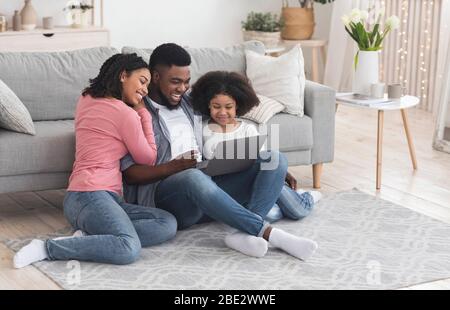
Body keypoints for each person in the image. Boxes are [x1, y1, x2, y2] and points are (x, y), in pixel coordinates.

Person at [121, 43, 318, 260]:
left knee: (274, 159)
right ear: (155, 77)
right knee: (193, 176)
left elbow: (228, 100)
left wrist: (267, 169)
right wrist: (173, 167)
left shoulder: (189, 102)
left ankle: (245, 235)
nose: (182, 88)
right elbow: (130, 174)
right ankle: (271, 234)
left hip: (208, 188)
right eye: (175, 82)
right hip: (171, 198)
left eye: (186, 82)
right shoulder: (136, 111)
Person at [13, 53, 177, 268]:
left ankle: (90, 238)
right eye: (142, 81)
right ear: (123, 75)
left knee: (167, 223)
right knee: (128, 248)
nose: (145, 91)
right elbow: (147, 157)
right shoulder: (125, 114)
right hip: (89, 196)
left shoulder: (86, 97)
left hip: (98, 200)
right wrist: (143, 114)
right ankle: (46, 248)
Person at [190, 70, 322, 223]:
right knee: (272, 214)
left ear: (237, 105)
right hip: (222, 187)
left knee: (295, 211)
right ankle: (262, 215)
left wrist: (282, 172)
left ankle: (306, 198)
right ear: (208, 105)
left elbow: (266, 162)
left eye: (228, 107)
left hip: (253, 183)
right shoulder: (201, 130)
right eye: (216, 106)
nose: (222, 112)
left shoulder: (248, 129)